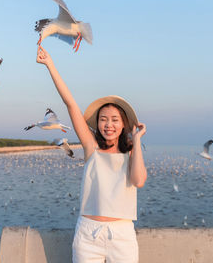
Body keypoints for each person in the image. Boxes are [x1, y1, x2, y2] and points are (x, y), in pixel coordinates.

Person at [36, 46, 147, 263]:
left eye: (115, 120)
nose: (108, 125)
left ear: (123, 124)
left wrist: (138, 140)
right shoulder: (91, 147)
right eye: (103, 119)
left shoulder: (131, 152)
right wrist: (50, 64)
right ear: (98, 123)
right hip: (88, 233)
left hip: (122, 235)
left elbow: (139, 180)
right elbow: (70, 104)